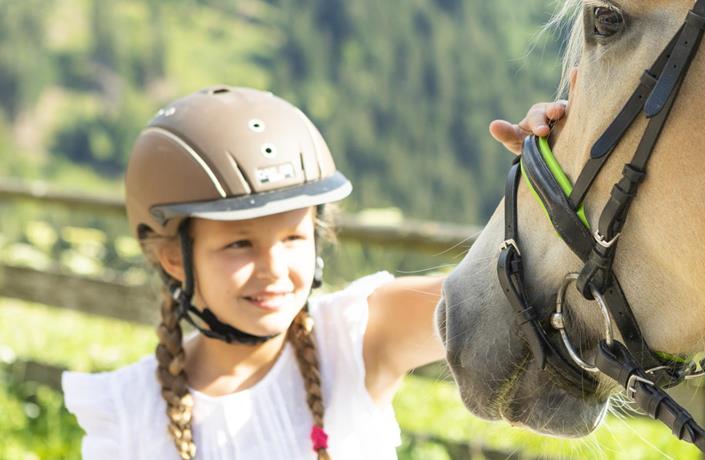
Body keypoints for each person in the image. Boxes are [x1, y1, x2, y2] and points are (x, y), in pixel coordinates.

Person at [61, 86, 566, 460]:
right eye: (240, 244)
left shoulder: (358, 336)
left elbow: (505, 290)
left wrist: (550, 175)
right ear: (173, 258)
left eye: (293, 238)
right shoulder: (127, 414)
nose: (275, 270)